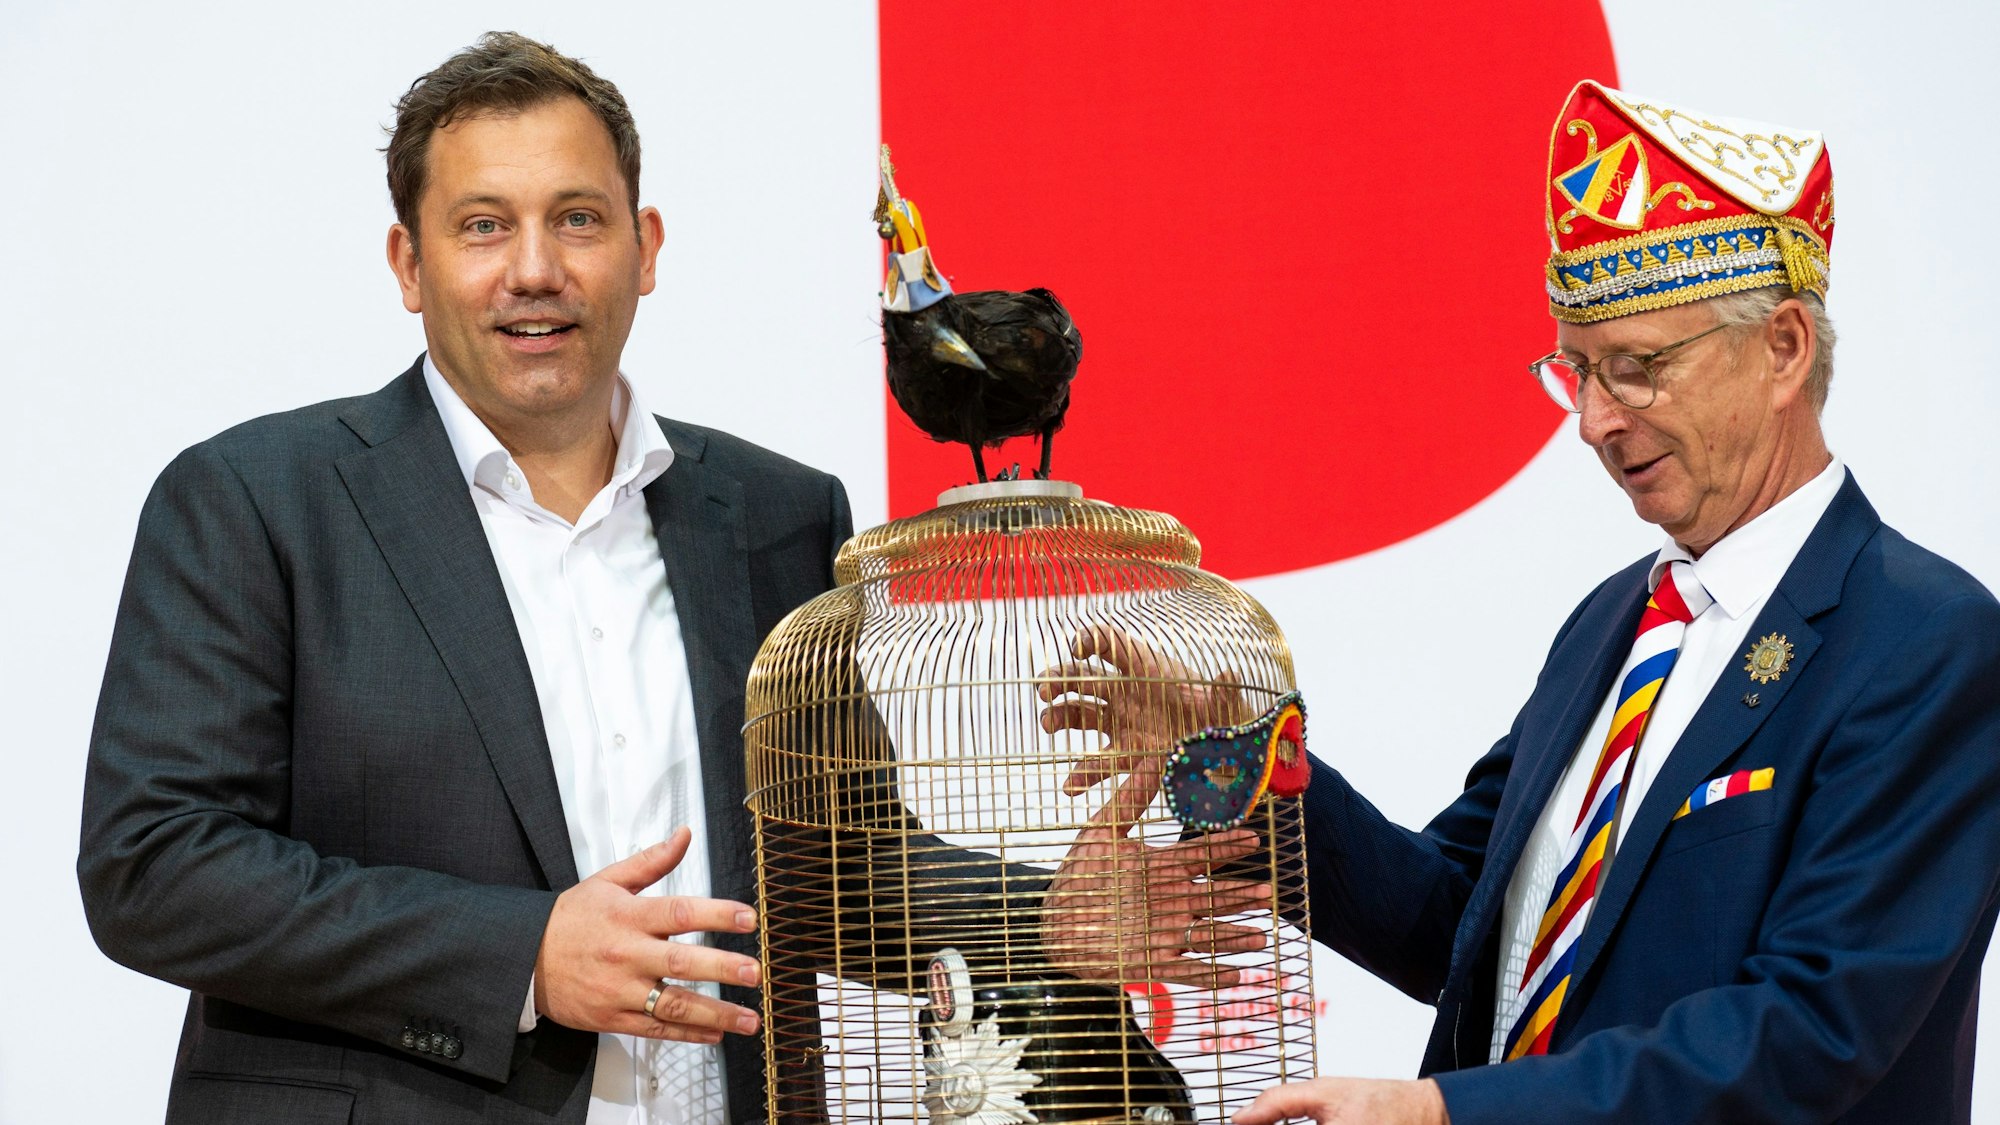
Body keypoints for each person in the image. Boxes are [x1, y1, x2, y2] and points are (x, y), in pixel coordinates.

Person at [77, 31, 1247, 1125]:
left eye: (576, 219)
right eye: (483, 225)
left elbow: (832, 854)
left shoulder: (779, 513)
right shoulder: (253, 499)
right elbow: (155, 863)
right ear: (407, 261)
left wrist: (1036, 912)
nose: (534, 269)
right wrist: (522, 955)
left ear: (645, 250)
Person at [1047, 81, 2000, 1124]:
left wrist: (1445, 1113)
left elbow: (1812, 1033)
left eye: (1635, 370)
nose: (1592, 423)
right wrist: (1237, 756)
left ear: (1781, 349)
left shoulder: (1922, 641)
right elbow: (1455, 927)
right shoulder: (1613, 623)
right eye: (1574, 372)